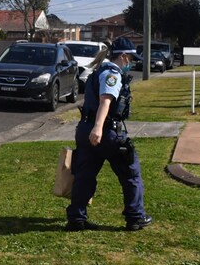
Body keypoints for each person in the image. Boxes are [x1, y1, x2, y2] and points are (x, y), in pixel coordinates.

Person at [65, 37, 152, 232]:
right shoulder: (112, 74)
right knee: (131, 173)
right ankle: (135, 216)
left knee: (84, 175)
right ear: (123, 56)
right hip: (106, 132)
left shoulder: (99, 71)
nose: (132, 62)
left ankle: (76, 218)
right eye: (130, 58)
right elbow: (106, 101)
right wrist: (98, 127)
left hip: (86, 130)